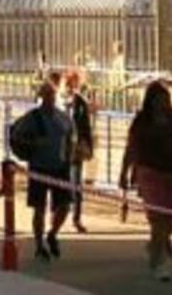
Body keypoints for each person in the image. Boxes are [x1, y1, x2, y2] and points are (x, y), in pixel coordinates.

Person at [118, 81, 172, 282]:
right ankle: (158, 263)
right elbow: (131, 147)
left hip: (171, 172)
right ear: (151, 101)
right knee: (158, 218)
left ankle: (157, 243)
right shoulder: (142, 120)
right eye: (159, 99)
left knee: (171, 217)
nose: (163, 103)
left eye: (165, 99)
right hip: (148, 172)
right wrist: (123, 172)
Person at [20, 81, 74, 260]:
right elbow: (17, 137)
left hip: (60, 166)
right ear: (41, 97)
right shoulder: (32, 118)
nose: (49, 98)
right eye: (46, 95)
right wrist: (33, 143)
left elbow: (71, 136)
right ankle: (38, 245)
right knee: (39, 208)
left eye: (52, 95)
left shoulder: (62, 117)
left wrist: (70, 156)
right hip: (39, 166)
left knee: (64, 205)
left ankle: (52, 233)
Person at [60, 69, 94, 233]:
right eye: (67, 83)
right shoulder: (57, 102)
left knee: (76, 184)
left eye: (72, 83)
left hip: (74, 149)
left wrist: (88, 146)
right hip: (58, 150)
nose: (69, 87)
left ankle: (76, 218)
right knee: (59, 184)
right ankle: (57, 215)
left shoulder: (80, 103)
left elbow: (86, 127)